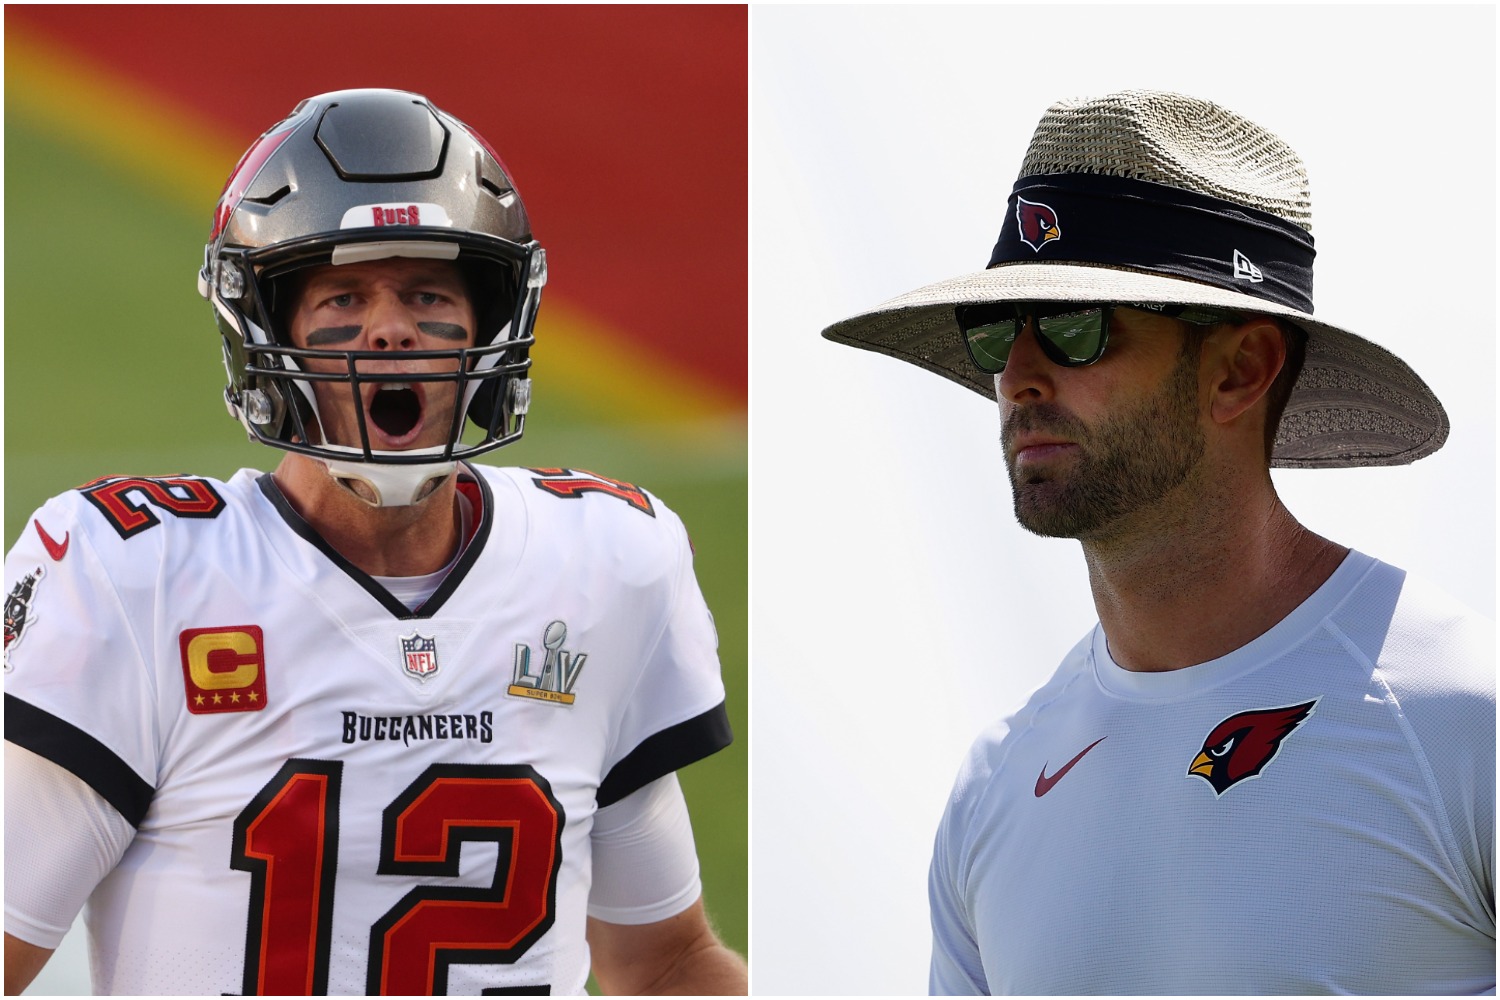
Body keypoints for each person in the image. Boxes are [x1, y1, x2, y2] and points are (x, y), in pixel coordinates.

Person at [4, 88, 747, 996]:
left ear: (489, 326)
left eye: (428, 292)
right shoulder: (136, 576)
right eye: (344, 294)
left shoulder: (604, 569)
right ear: (267, 329)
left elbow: (665, 964)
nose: (391, 328)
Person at [823, 90, 1493, 995]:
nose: (1018, 376)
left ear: (1240, 370)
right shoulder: (993, 787)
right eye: (994, 331)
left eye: (1075, 326)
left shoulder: (1462, 715)